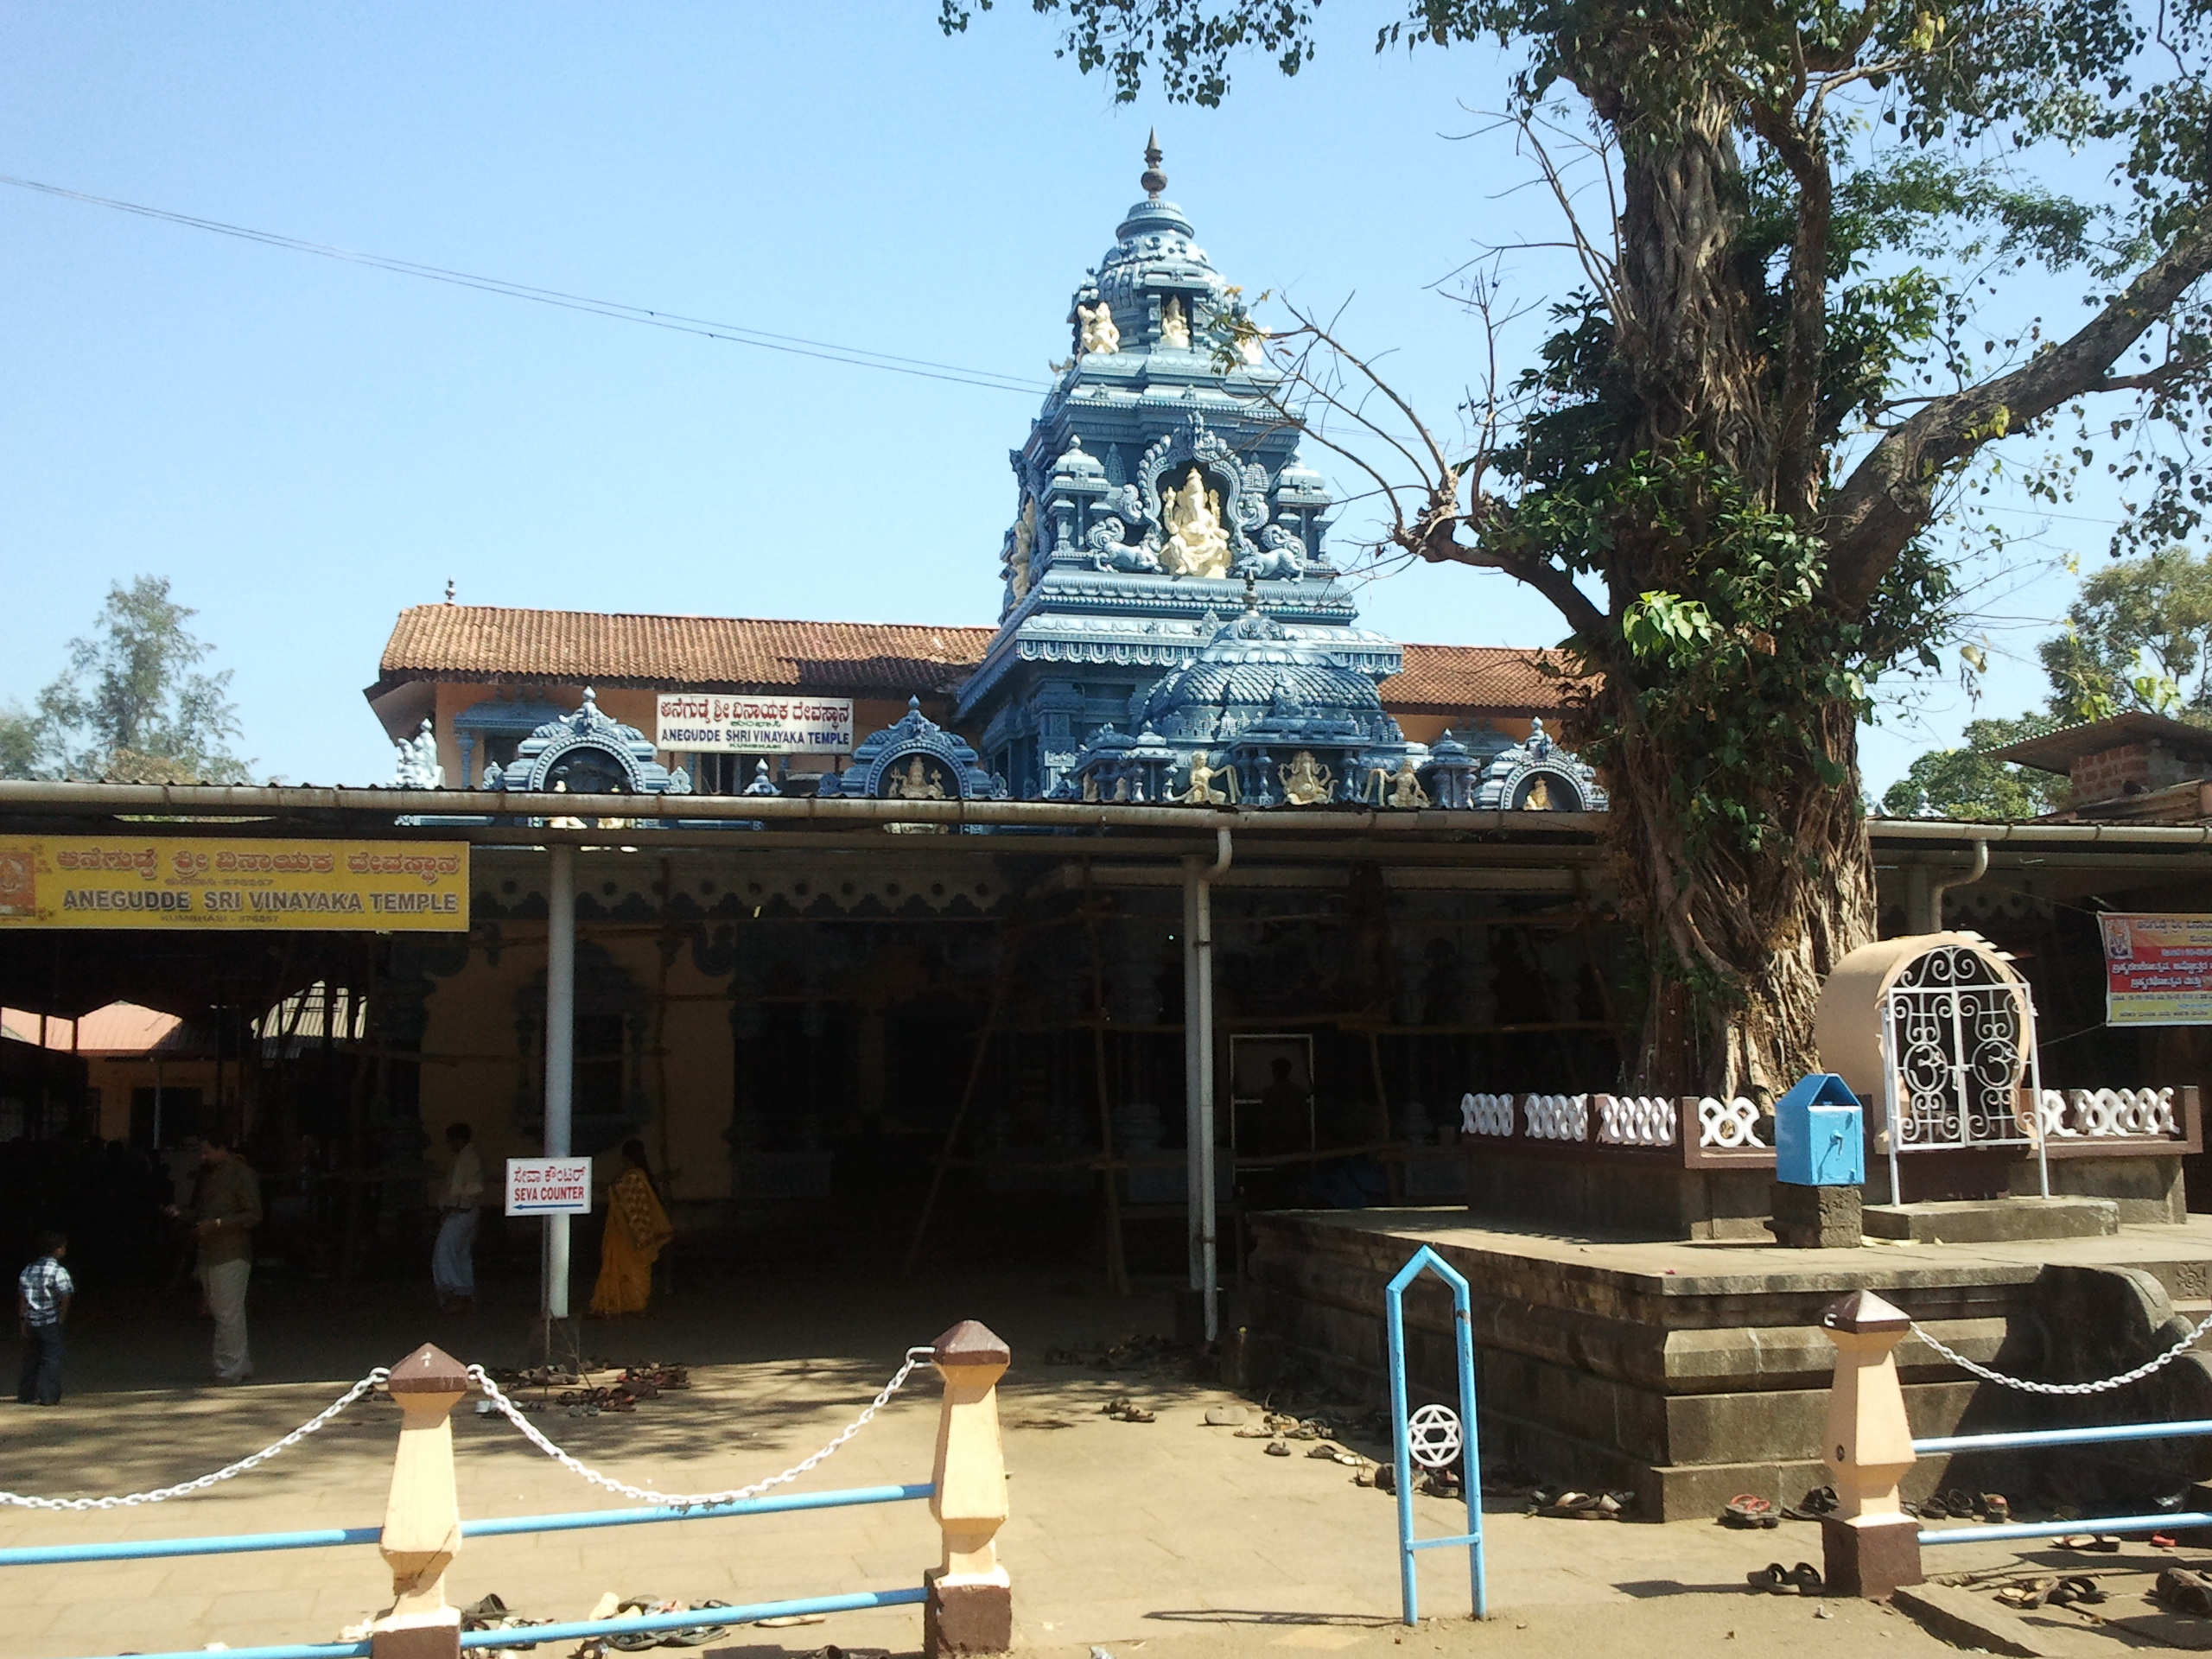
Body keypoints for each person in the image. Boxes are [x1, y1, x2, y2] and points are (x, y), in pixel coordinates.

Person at [164, 1134, 262, 1383]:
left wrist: (218, 1224)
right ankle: (240, 1363)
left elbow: (254, 1215)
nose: (203, 1157)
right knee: (226, 1312)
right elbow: (202, 1212)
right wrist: (183, 1214)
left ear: (223, 1148)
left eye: (207, 1152)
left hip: (231, 1252)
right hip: (209, 1251)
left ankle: (229, 1369)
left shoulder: (242, 1175)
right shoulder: (210, 1175)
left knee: (227, 1314)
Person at [588, 1140, 671, 1318]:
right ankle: (629, 1302)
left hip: (632, 1233)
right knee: (632, 1266)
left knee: (629, 1266)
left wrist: (602, 1187)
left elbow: (617, 1193)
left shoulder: (633, 1177)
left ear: (626, 1157)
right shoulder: (637, 1175)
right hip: (631, 1231)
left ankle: (631, 1302)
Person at [433, 1122, 485, 1314]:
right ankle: (466, 1292)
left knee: (444, 1253)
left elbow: (465, 1188)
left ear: (457, 1139)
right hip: (464, 1211)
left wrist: (454, 1207)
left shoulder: (468, 1158)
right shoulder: (466, 1157)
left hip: (460, 1211)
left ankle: (457, 1293)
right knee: (461, 1253)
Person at [16, 1231, 72, 1407]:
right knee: (51, 1359)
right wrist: (61, 1317)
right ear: (57, 1250)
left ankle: (26, 1394)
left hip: (31, 1320)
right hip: (50, 1321)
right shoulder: (58, 1271)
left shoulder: (28, 1269)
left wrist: (22, 1319)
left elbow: (23, 1297)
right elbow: (65, 1294)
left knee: (31, 1359)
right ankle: (48, 1396)